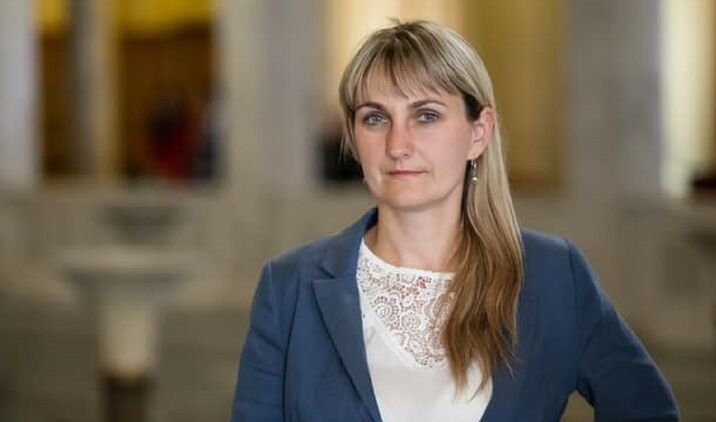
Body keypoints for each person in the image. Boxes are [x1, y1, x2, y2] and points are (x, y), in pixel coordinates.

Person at [231, 20, 679, 421]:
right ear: (353, 136)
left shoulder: (554, 276)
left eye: (426, 116)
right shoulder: (288, 287)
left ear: (478, 132)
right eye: (375, 118)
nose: (398, 145)